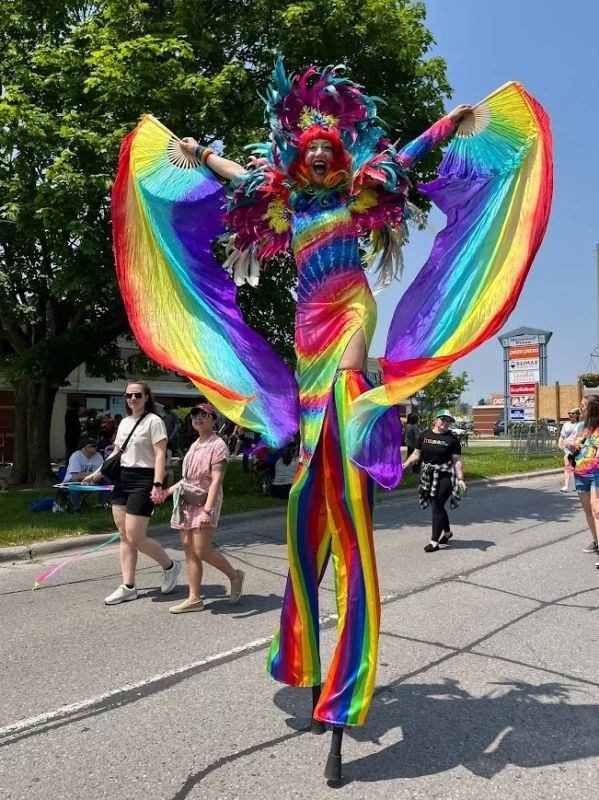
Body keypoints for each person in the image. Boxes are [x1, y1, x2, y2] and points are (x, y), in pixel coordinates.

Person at [84, 381, 181, 605]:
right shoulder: (125, 422)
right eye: (129, 395)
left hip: (144, 479)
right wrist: (96, 474)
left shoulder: (154, 422)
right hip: (122, 478)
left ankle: (170, 566)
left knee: (136, 537)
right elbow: (117, 453)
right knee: (124, 536)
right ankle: (128, 586)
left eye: (137, 394)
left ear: (147, 397)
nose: (133, 398)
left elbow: (159, 455)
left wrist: (157, 484)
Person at [162, 402, 244, 613]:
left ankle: (234, 576)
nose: (198, 418)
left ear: (213, 420)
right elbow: (186, 479)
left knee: (202, 549)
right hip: (186, 502)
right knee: (189, 550)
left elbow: (216, 481)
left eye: (204, 415)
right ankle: (194, 599)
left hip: (206, 500)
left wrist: (208, 510)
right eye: (194, 415)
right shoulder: (195, 444)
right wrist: (165, 492)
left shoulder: (218, 445)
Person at [402, 409, 466, 552]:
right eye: (443, 419)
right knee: (437, 506)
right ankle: (447, 533)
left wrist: (460, 479)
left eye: (448, 420)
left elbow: (457, 461)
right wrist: (407, 464)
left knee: (437, 505)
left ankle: (434, 541)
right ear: (435, 420)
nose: (445, 422)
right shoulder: (424, 436)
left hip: (445, 475)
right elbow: (416, 454)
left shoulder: (452, 440)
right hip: (428, 474)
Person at [564, 395, 599, 557]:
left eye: (582, 406)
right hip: (580, 474)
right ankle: (596, 541)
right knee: (588, 512)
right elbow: (566, 441)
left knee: (596, 510)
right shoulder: (579, 427)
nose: (579, 410)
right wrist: (569, 445)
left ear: (592, 408)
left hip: (597, 475)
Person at [63, 438, 110, 512]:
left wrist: (94, 479)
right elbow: (75, 476)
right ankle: (76, 509)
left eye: (97, 445)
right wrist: (92, 475)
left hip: (91, 482)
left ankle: (100, 505)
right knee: (74, 481)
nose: (96, 447)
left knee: (107, 480)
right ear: (85, 447)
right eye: (93, 446)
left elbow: (102, 473)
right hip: (69, 484)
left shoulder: (98, 456)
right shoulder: (76, 456)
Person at [558, 408, 580, 493]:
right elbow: (562, 436)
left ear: (577, 415)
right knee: (567, 464)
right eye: (569, 413)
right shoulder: (566, 425)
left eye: (573, 413)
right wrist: (560, 444)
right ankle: (566, 485)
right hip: (567, 447)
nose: (570, 415)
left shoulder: (580, 425)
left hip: (576, 447)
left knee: (576, 466)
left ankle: (577, 485)